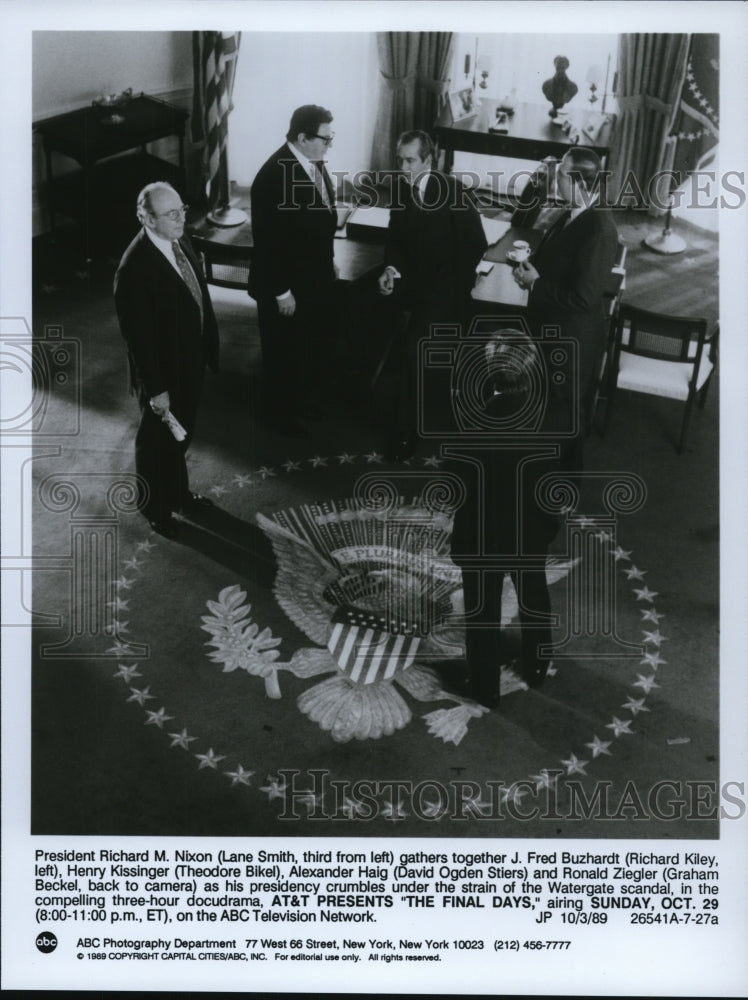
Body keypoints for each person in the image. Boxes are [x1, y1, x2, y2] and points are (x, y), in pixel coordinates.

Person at [449, 331, 562, 708]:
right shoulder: (555, 417)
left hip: (482, 535)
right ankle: (538, 664)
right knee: (534, 595)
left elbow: (455, 483)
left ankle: (484, 687)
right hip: (530, 531)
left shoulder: (472, 420)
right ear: (531, 370)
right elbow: (564, 481)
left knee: (482, 612)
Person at [114, 181, 219, 540]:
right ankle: (154, 507)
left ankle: (178, 494)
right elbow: (139, 339)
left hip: (190, 361)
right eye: (170, 214)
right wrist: (157, 390)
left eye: (182, 210)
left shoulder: (178, 240)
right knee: (156, 442)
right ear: (146, 218)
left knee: (180, 435)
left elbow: (195, 295)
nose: (180, 219)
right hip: (163, 374)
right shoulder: (134, 269)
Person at [377, 129, 487, 460]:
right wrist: (390, 270)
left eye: (410, 160)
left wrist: (448, 286)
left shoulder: (454, 192)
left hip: (443, 293)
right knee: (363, 312)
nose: (403, 167)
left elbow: (476, 246)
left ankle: (405, 433)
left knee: (413, 352)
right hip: (409, 286)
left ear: (429, 160)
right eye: (400, 159)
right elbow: (395, 240)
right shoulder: (401, 190)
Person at [513, 146, 619, 477]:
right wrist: (532, 269)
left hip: (573, 338)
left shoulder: (599, 228)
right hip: (556, 328)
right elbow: (561, 261)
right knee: (555, 408)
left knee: (566, 413)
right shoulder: (574, 211)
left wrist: (535, 284)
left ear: (577, 181)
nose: (554, 182)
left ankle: (562, 484)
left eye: (559, 176)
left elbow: (585, 297)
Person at [249, 104, 340, 436]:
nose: (329, 145)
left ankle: (299, 403)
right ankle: (278, 416)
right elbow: (269, 244)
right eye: (325, 139)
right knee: (281, 352)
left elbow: (320, 218)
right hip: (282, 286)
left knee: (303, 346)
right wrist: (281, 291)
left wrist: (326, 257)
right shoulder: (273, 178)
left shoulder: (312, 162)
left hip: (310, 275)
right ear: (303, 137)